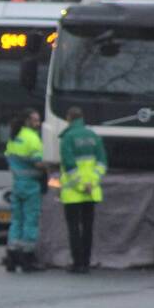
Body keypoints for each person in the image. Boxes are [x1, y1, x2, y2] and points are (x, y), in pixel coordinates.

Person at [59, 107, 107, 274]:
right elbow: (102, 163)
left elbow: (69, 165)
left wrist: (80, 185)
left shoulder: (67, 137)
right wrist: (91, 183)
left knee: (74, 228)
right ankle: (86, 262)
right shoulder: (93, 136)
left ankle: (77, 263)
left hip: (73, 193)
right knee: (88, 228)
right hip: (91, 191)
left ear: (69, 118)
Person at [4, 109, 45, 272]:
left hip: (17, 185)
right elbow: (37, 163)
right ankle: (27, 257)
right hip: (31, 186)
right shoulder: (33, 138)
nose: (38, 123)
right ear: (28, 121)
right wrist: (51, 165)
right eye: (36, 120)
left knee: (16, 221)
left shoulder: (14, 137)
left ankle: (12, 255)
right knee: (30, 221)